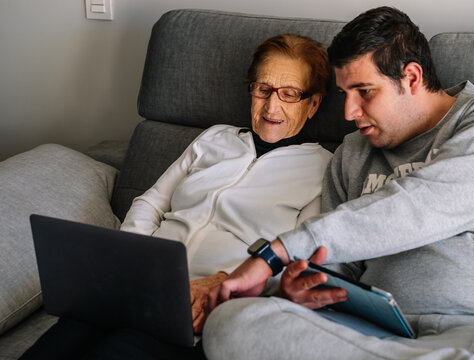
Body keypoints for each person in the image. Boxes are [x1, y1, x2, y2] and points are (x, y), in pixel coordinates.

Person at [202, 6, 474, 360]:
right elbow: (335, 265)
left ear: (411, 77)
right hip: (377, 334)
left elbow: (423, 205)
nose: (349, 112)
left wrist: (280, 251)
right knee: (232, 322)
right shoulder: (352, 154)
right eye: (345, 93)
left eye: (364, 91)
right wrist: (302, 285)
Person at [120, 33, 332, 333]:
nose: (271, 107)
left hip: (216, 299)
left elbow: (297, 257)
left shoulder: (322, 168)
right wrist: (130, 255)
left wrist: (224, 283)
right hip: (144, 275)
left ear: (312, 105)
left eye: (289, 94)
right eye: (263, 89)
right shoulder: (214, 138)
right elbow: (152, 202)